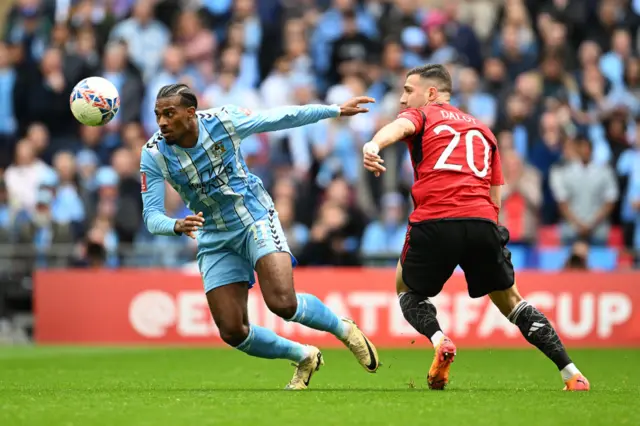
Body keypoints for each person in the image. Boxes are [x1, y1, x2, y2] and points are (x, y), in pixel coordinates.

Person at [361, 64, 589, 392]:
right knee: (512, 301)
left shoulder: (424, 115)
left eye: (408, 90)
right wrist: (489, 232)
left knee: (406, 289)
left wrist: (373, 145)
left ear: (431, 93)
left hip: (435, 220)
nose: (401, 99)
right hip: (482, 221)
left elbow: (397, 128)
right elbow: (495, 194)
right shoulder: (484, 131)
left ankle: (440, 340)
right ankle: (572, 373)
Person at [140, 84, 380, 390]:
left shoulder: (224, 121)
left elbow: (279, 117)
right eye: (158, 114)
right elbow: (152, 217)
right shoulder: (153, 153)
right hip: (214, 234)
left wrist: (333, 110)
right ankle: (304, 355)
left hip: (254, 217)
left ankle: (343, 330)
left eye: (169, 114)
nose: (161, 122)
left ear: (190, 114)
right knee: (232, 331)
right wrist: (175, 225)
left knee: (282, 302)